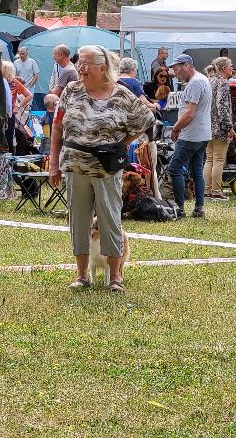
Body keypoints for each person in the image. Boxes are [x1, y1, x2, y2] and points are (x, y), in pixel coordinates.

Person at [49, 45, 153, 293]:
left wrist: (121, 145)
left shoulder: (121, 95)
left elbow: (146, 120)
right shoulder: (71, 91)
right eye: (79, 63)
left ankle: (115, 276)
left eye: (86, 64)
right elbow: (57, 128)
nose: (81, 69)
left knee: (109, 219)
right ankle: (82, 274)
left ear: (102, 67)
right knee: (79, 220)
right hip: (74, 165)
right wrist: (54, 163)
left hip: (106, 169)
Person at [167, 54, 212, 218]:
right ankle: (199, 207)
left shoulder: (194, 83)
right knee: (197, 170)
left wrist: (175, 129)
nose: (175, 73)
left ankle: (179, 208)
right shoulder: (203, 79)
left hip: (191, 135)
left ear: (186, 66)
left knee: (175, 168)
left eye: (176, 69)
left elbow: (189, 114)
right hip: (202, 133)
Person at [203, 56, 234, 201]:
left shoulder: (209, 81)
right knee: (219, 159)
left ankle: (206, 190)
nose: (232, 68)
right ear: (223, 68)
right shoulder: (223, 83)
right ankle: (216, 191)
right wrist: (228, 126)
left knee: (209, 159)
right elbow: (223, 107)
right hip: (220, 127)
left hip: (208, 126)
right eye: (230, 66)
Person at [2, 60, 32, 152]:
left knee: (8, 137)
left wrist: (18, 106)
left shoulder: (15, 82)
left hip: (9, 114)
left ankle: (9, 160)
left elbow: (29, 95)